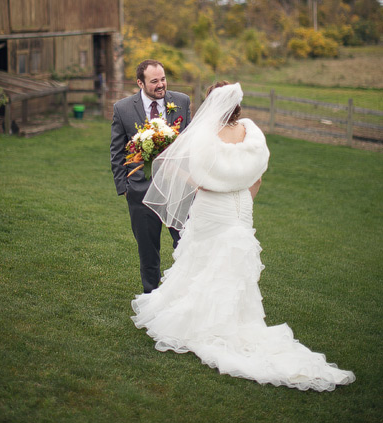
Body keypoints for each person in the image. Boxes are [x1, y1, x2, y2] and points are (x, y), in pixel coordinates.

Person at [131, 81, 355, 391]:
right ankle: (234, 320)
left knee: (204, 259)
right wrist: (244, 201)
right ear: (238, 105)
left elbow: (202, 183)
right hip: (241, 206)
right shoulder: (252, 132)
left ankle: (204, 323)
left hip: (213, 207)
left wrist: (175, 170)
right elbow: (258, 177)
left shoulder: (206, 136)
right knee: (232, 265)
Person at [110, 60, 192, 293]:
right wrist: (125, 187)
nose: (161, 85)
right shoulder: (123, 109)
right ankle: (150, 300)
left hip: (178, 190)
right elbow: (117, 152)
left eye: (163, 79)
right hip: (141, 193)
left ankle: (187, 296)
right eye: (154, 81)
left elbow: (189, 144)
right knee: (148, 253)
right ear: (140, 82)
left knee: (187, 246)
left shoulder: (182, 101)